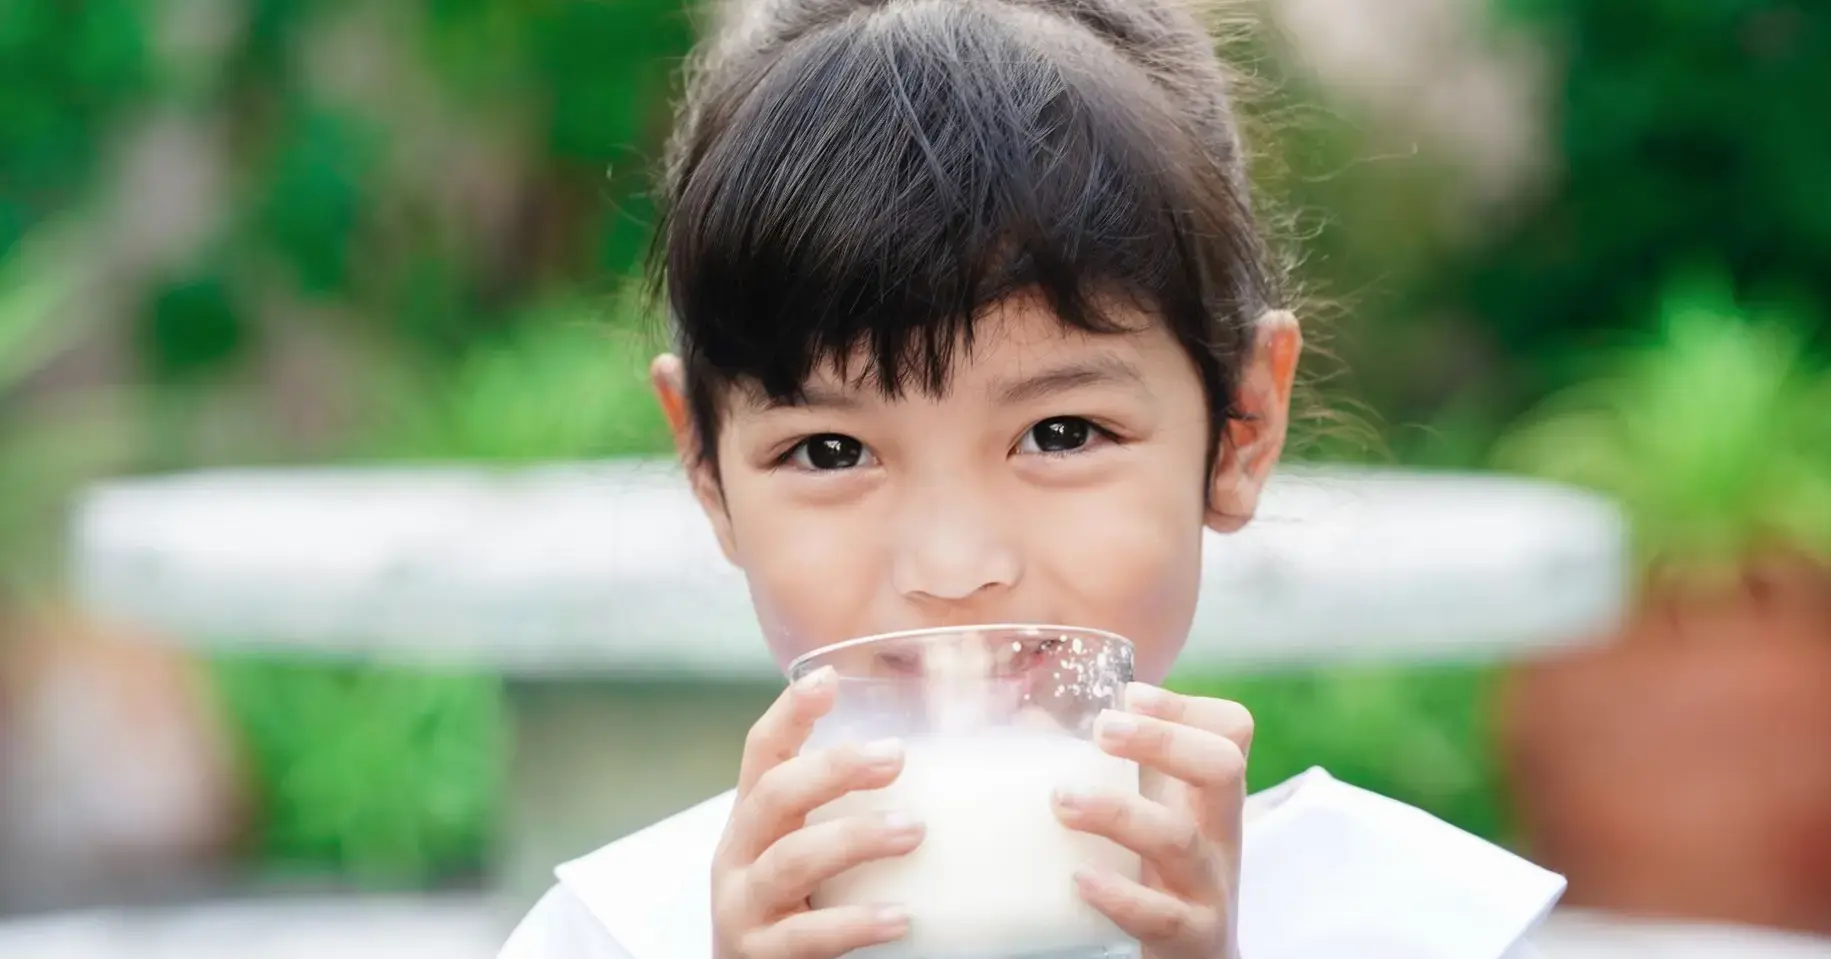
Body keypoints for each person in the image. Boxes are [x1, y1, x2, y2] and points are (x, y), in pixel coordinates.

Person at [501, 0, 1565, 954]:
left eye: (1060, 431)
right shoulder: (620, 932)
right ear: (705, 463)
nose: (955, 567)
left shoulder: (1405, 919)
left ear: (1241, 425)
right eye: (830, 450)